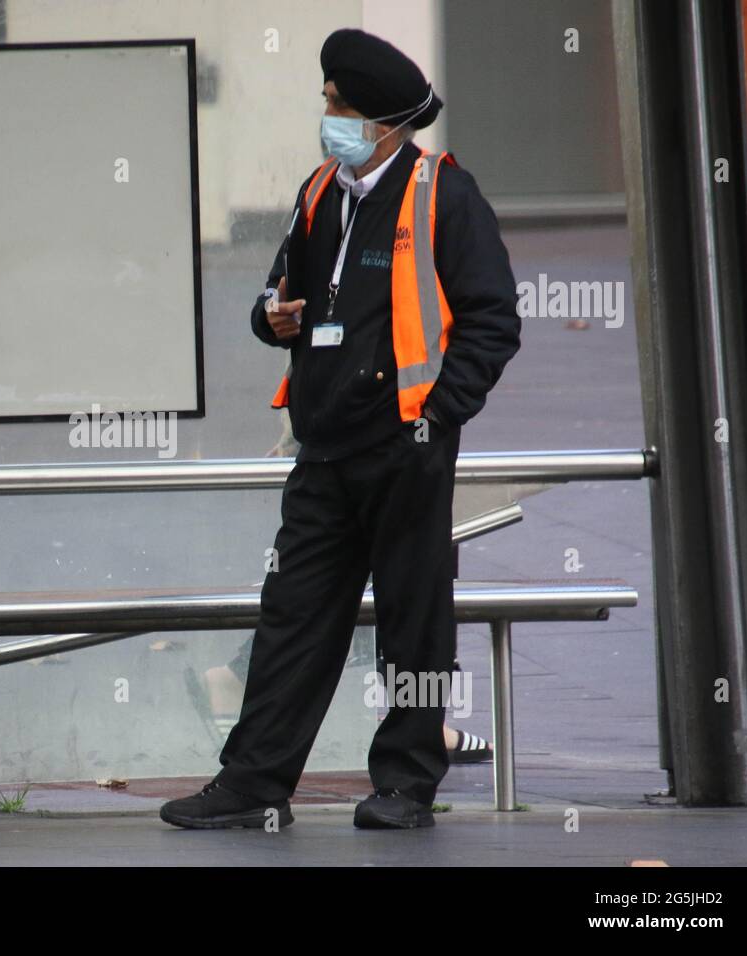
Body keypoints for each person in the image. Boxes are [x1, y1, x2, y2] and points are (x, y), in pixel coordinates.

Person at [161, 28, 519, 831]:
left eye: (340, 106)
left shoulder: (443, 194)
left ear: (385, 121)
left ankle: (405, 782)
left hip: (407, 448)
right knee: (292, 615)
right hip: (322, 450)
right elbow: (276, 296)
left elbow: (493, 321)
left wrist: (436, 413)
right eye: (329, 103)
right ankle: (253, 779)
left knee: (412, 620)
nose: (327, 117)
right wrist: (271, 315)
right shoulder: (323, 190)